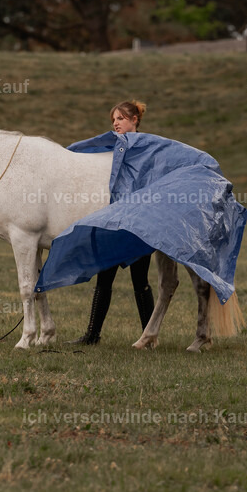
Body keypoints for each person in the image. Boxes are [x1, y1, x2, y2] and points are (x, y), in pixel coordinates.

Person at [68, 100, 155, 345]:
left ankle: (148, 337)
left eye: (120, 118)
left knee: (140, 281)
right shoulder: (111, 146)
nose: (115, 123)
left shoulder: (150, 147)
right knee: (104, 278)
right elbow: (86, 152)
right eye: (113, 119)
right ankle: (92, 335)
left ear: (135, 119)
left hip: (139, 225)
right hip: (113, 222)